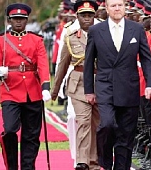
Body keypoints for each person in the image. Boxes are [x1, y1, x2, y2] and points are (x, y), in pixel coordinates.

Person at [83, 0, 151, 169]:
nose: (117, 8)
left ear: (125, 8)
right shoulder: (96, 30)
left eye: (120, 5)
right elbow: (88, 62)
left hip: (129, 87)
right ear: (106, 9)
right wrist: (89, 90)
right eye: (113, 5)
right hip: (105, 86)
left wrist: (150, 83)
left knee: (126, 133)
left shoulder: (136, 29)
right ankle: (105, 162)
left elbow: (146, 58)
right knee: (107, 124)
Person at [0, 3, 51, 170]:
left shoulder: (36, 39)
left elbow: (42, 64)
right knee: (10, 129)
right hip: (10, 90)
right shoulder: (0, 41)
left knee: (31, 134)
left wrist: (45, 86)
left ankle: (28, 166)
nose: (18, 22)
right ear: (9, 20)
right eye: (15, 19)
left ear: (27, 20)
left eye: (22, 19)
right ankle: (12, 166)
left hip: (32, 90)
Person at [51, 0, 100, 169]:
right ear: (77, 17)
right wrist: (55, 90)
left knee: (97, 124)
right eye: (83, 15)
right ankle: (82, 161)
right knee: (83, 121)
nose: (87, 18)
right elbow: (62, 65)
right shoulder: (70, 37)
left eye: (90, 15)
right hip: (78, 83)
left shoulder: (103, 35)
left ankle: (93, 161)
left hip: (99, 82)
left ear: (95, 16)